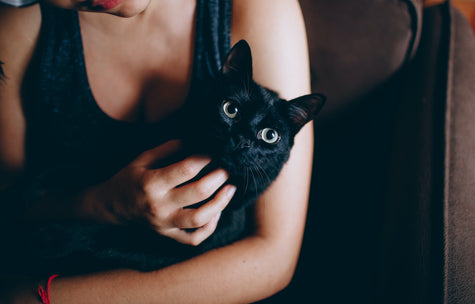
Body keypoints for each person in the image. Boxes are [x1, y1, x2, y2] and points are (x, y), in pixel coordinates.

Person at [0, 0, 314, 302]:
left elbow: (273, 258)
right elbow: (11, 207)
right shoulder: (15, 28)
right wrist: (101, 204)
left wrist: (44, 297)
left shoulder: (258, 8)